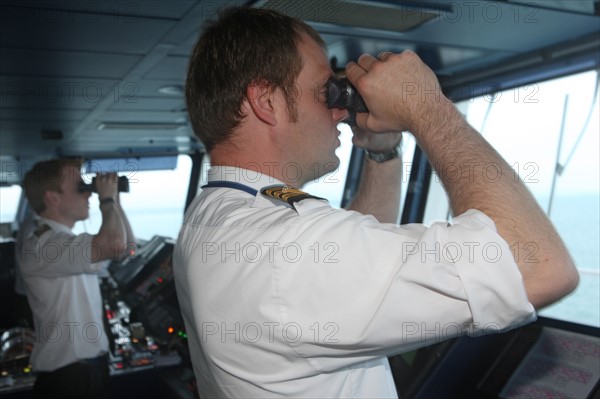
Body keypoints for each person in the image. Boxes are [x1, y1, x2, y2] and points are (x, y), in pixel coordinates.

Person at [173, 6, 579, 398]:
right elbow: (538, 269)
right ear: (266, 102)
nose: (337, 110)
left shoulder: (217, 214)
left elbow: (346, 263)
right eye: (324, 91)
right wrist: (427, 107)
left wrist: (381, 153)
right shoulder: (284, 252)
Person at [20, 158, 135, 399]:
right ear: (53, 198)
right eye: (80, 188)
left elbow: (125, 248)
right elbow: (114, 244)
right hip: (69, 381)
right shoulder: (43, 245)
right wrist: (106, 200)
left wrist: (115, 200)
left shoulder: (66, 242)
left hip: (87, 373)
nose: (88, 194)